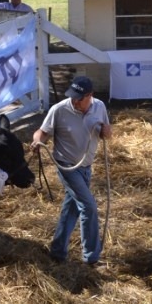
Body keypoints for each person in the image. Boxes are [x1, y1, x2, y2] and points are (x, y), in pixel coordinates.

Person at [30, 76, 112, 267]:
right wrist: (37, 141)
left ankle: (57, 252)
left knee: (72, 208)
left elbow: (106, 132)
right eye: (73, 96)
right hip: (66, 167)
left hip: (85, 168)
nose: (75, 101)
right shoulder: (59, 109)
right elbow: (42, 131)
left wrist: (105, 131)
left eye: (79, 98)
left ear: (89, 96)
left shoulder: (99, 107)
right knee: (89, 207)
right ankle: (91, 258)